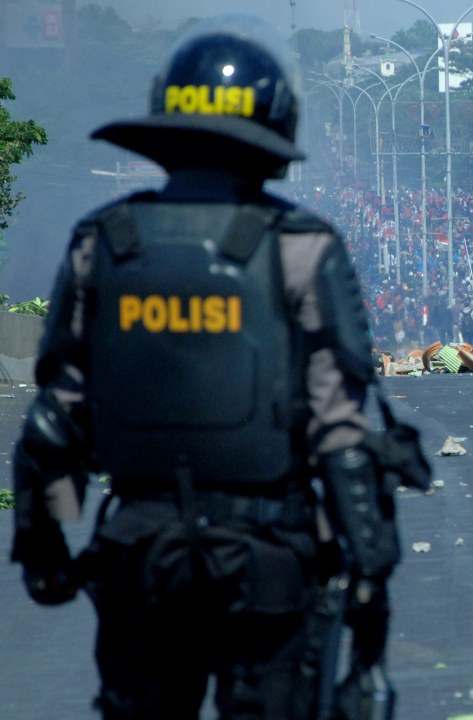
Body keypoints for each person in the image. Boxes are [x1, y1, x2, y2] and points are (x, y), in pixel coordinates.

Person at [9, 15, 405, 719]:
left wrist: (47, 548)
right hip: (268, 558)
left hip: (138, 552)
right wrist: (369, 569)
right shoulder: (300, 246)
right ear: (274, 129)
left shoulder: (104, 241)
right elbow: (341, 430)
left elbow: (53, 425)